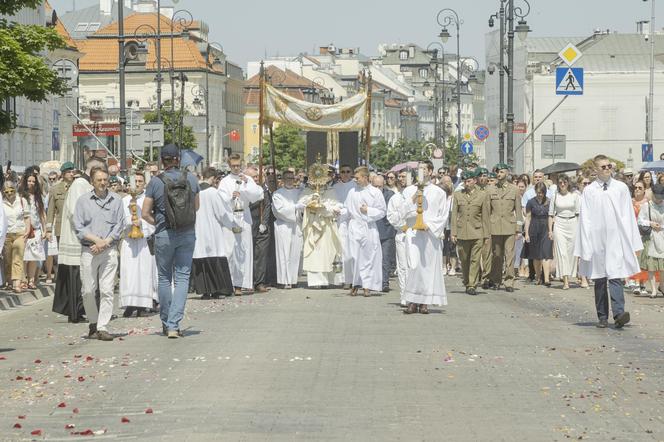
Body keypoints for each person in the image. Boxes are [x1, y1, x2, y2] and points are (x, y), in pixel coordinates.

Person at [575, 154, 641, 329]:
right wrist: (586, 243)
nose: (607, 169)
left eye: (609, 166)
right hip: (597, 239)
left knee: (615, 275)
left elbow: (627, 215)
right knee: (599, 278)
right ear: (596, 169)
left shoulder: (620, 188)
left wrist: (630, 240)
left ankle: (619, 313)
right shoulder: (589, 190)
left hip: (615, 238)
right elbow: (585, 218)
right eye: (603, 167)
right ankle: (602, 316)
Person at [142, 144, 200, 338]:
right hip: (187, 232)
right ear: (178, 159)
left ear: (162, 160)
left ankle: (167, 322)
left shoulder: (155, 182)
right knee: (183, 277)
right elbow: (196, 207)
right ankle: (174, 324)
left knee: (164, 278)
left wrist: (158, 222)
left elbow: (144, 213)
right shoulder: (191, 178)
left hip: (164, 233)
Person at [73, 166, 124, 341]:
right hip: (89, 250)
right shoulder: (82, 201)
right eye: (99, 180)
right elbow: (79, 227)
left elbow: (119, 226)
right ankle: (93, 322)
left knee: (107, 290)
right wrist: (96, 241)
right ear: (92, 182)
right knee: (88, 290)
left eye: (105, 180)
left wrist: (105, 243)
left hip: (109, 250)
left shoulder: (116, 200)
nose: (102, 183)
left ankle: (102, 326)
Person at [54, 158, 101, 323]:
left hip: (81, 235)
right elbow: (75, 211)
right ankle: (76, 312)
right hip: (76, 237)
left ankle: (80, 311)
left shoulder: (81, 183)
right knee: (76, 276)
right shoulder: (80, 183)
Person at [402, 161, 450, 313]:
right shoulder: (410, 190)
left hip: (430, 235)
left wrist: (429, 225)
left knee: (428, 268)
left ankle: (424, 302)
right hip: (414, 233)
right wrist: (415, 197)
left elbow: (443, 215)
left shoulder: (439, 192)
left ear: (430, 171)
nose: (420, 171)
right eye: (418, 169)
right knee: (414, 266)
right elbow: (402, 210)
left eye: (423, 169)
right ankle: (412, 300)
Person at [218, 154, 263, 295]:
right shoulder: (225, 181)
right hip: (230, 217)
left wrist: (247, 185)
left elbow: (257, 195)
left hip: (244, 215)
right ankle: (229, 283)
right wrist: (231, 197)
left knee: (245, 250)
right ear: (229, 165)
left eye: (238, 165)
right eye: (233, 166)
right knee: (230, 250)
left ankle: (241, 284)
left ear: (241, 165)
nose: (236, 168)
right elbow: (220, 198)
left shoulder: (247, 179)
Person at [191, 167, 234, 299]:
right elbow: (221, 213)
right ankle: (218, 289)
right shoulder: (212, 192)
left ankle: (204, 291)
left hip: (197, 228)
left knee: (201, 257)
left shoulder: (194, 191)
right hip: (212, 229)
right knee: (215, 255)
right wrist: (231, 223)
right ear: (214, 179)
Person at [119, 172, 158, 316]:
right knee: (128, 272)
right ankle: (129, 304)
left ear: (144, 183)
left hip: (143, 241)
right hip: (129, 241)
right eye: (134, 181)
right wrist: (130, 222)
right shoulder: (125, 200)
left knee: (143, 272)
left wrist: (142, 222)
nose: (137, 184)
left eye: (140, 181)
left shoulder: (149, 199)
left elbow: (154, 219)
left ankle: (143, 305)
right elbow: (120, 218)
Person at [343, 166, 385, 297]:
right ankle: (355, 283)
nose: (355, 180)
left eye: (357, 178)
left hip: (368, 226)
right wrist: (339, 211)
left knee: (368, 256)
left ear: (365, 178)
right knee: (354, 256)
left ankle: (367, 285)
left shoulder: (375, 192)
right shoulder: (352, 192)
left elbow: (382, 211)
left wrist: (369, 210)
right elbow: (347, 209)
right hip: (355, 226)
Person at [299, 168, 343, 288]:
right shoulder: (307, 191)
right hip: (312, 225)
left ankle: (327, 280)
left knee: (326, 253)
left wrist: (324, 207)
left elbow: (336, 206)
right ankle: (315, 281)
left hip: (326, 226)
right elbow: (301, 205)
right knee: (314, 253)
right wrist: (310, 201)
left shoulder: (331, 191)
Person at [484, 163, 523, 292]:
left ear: (507, 173)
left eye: (501, 172)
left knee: (510, 255)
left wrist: (518, 228)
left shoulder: (514, 189)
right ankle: (496, 280)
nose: (498, 174)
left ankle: (509, 281)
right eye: (497, 172)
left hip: (509, 226)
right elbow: (487, 211)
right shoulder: (490, 189)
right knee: (497, 255)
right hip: (494, 226)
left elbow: (518, 210)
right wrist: (487, 228)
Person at [451, 169, 490, 295]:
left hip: (477, 232)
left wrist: (486, 235)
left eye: (469, 181)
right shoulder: (458, 195)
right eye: (465, 181)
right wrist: (454, 232)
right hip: (462, 232)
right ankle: (467, 280)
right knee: (464, 259)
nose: (466, 184)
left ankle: (472, 284)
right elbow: (454, 215)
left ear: (474, 181)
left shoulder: (482, 195)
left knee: (475, 259)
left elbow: (485, 216)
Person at [272, 170, 303, 289]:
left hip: (296, 225)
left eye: (292, 178)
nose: (290, 181)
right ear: (283, 180)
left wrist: (301, 210)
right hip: (283, 225)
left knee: (295, 253)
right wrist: (295, 207)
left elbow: (303, 206)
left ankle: (293, 279)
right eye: (287, 178)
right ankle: (283, 280)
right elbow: (280, 210)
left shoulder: (299, 192)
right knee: (283, 252)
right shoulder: (278, 194)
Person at [547, 175, 580, 290]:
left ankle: (569, 275)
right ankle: (565, 279)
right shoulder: (555, 196)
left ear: (568, 183)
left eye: (564, 182)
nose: (562, 184)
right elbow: (551, 214)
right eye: (560, 182)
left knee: (571, 253)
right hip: (559, 224)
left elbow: (578, 213)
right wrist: (550, 230)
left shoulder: (575, 195)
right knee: (562, 253)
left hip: (572, 223)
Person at [247, 165, 276, 293]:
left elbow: (267, 205)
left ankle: (259, 282)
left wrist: (264, 222)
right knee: (249, 254)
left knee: (261, 255)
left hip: (261, 226)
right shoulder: (244, 189)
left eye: (257, 176)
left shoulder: (262, 189)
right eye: (253, 177)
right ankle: (247, 281)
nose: (256, 179)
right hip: (248, 224)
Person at [45, 163, 74, 283]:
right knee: (61, 255)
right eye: (69, 172)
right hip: (60, 227)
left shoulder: (77, 187)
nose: (71, 174)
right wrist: (48, 230)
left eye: (72, 172)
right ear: (63, 174)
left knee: (74, 254)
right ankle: (62, 278)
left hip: (74, 228)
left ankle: (73, 277)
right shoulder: (55, 189)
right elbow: (51, 211)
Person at [637, 183, 664, 298]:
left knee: (662, 266)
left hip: (662, 236)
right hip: (650, 238)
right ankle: (653, 289)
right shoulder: (646, 206)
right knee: (651, 266)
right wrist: (651, 223)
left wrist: (661, 226)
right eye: (657, 197)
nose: (658, 200)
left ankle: (662, 286)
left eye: (660, 197)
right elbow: (640, 221)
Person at [524, 182, 554, 286]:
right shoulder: (531, 202)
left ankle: (546, 279)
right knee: (536, 255)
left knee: (546, 254)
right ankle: (538, 277)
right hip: (534, 227)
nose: (540, 194)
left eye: (542, 192)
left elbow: (552, 216)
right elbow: (528, 218)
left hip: (546, 227)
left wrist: (551, 230)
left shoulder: (549, 202)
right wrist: (527, 233)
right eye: (538, 192)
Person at [2, 181, 29, 293]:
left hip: (20, 233)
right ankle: (9, 281)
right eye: (7, 191)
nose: (9, 193)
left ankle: (16, 284)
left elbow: (27, 216)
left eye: (12, 190)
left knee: (17, 258)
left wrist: (27, 230)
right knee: (8, 260)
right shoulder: (1, 203)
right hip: (6, 235)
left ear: (15, 189)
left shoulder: (22, 201)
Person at [20, 172, 46, 289]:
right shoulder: (20, 195)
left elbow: (42, 214)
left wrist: (45, 229)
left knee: (34, 257)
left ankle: (31, 280)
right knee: (24, 257)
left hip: (36, 230)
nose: (31, 183)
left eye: (33, 181)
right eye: (29, 181)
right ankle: (23, 279)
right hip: (23, 230)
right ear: (25, 182)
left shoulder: (38, 196)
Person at [333, 164, 357, 288]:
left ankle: (351, 279)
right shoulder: (335, 187)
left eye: (348, 171)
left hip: (351, 222)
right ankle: (340, 278)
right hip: (338, 222)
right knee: (340, 251)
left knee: (351, 252)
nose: (345, 174)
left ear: (351, 173)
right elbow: (331, 201)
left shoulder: (355, 186)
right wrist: (334, 209)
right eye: (343, 172)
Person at [372, 175, 396, 292]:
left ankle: (384, 283)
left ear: (384, 185)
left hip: (386, 231)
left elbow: (390, 211)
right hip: (372, 230)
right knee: (372, 258)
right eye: (375, 186)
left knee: (385, 258)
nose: (377, 189)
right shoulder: (368, 194)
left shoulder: (390, 195)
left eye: (379, 186)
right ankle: (372, 282)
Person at [629, 180, 650, 294]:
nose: (637, 190)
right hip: (632, 233)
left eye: (640, 188)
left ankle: (642, 284)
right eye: (635, 187)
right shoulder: (629, 202)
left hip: (644, 233)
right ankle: (636, 282)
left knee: (644, 260)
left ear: (644, 190)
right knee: (635, 259)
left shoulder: (648, 203)